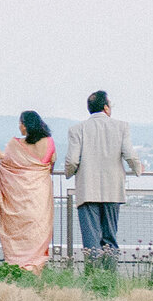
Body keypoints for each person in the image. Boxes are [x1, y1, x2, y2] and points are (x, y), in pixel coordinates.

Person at [60, 90, 144, 271]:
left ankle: (94, 280)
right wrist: (138, 169)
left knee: (92, 240)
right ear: (106, 107)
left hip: (87, 190)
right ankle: (110, 279)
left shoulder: (77, 129)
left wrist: (69, 173)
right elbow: (129, 154)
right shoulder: (122, 126)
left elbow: (72, 160)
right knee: (110, 238)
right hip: (113, 190)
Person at [0, 111, 58, 271]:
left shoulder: (14, 145)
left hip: (17, 199)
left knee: (20, 233)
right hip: (40, 197)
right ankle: (35, 269)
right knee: (37, 230)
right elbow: (51, 165)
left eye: (21, 123)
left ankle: (18, 268)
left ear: (27, 125)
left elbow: (4, 167)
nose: (19, 126)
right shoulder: (49, 142)